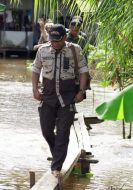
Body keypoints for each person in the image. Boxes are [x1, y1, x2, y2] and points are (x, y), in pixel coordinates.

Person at [32, 24, 89, 177]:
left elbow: (83, 71)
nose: (55, 43)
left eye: (58, 40)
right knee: (46, 131)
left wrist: (81, 92)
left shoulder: (74, 50)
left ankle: (56, 168)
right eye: (52, 40)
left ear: (64, 37)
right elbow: (36, 70)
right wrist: (35, 90)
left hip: (67, 97)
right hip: (48, 96)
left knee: (63, 133)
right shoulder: (42, 50)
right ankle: (58, 152)